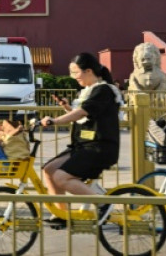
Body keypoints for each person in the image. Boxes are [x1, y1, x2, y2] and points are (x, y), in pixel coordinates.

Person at [40, 52, 123, 227]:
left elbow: (83, 112)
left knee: (61, 177)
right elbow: (84, 115)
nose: (73, 77)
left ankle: (103, 204)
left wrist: (55, 121)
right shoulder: (89, 91)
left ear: (88, 71)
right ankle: (61, 214)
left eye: (75, 72)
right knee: (48, 170)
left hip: (100, 147)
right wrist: (66, 107)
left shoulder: (104, 90)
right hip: (83, 146)